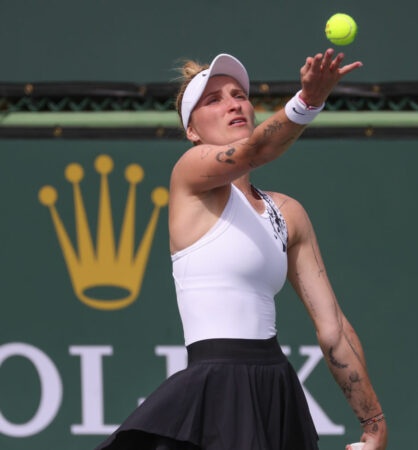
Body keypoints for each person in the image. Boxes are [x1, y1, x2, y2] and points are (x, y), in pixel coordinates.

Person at [95, 49, 388, 450]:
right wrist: (308, 102)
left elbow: (333, 328)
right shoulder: (189, 174)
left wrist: (372, 422)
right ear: (192, 131)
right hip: (217, 389)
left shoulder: (289, 214)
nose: (233, 104)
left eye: (239, 95)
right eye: (213, 100)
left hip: (276, 392)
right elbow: (255, 152)